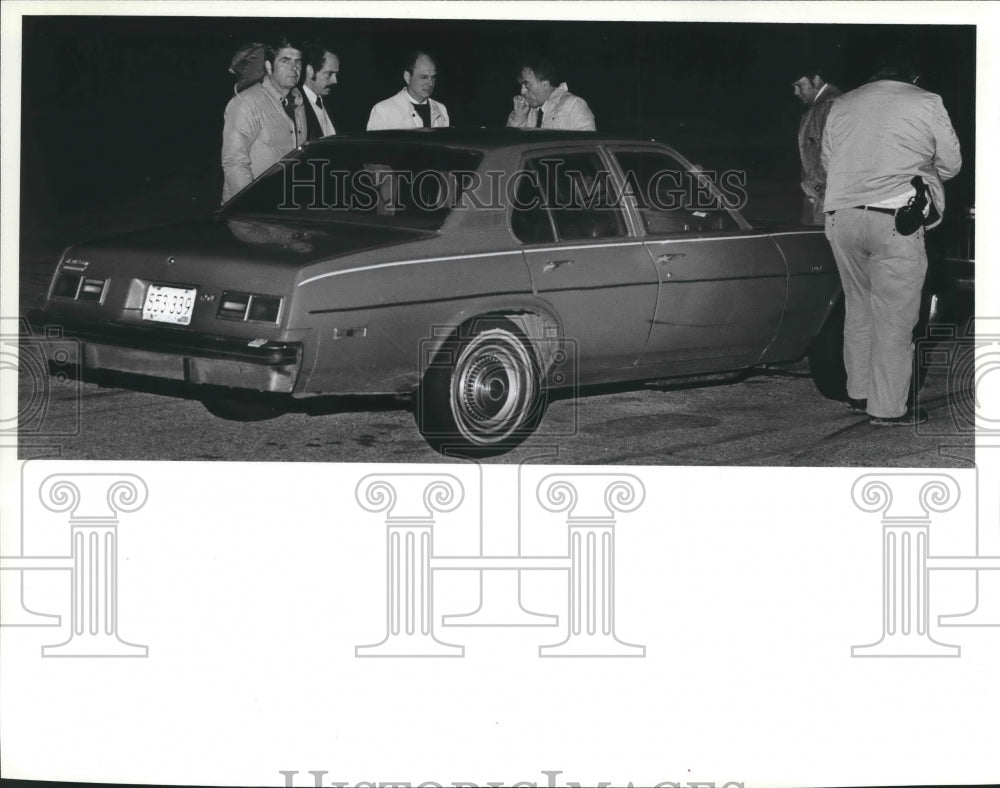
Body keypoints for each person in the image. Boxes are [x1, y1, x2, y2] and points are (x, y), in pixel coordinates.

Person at [821, 51, 962, 425]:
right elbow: (952, 164)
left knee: (858, 307)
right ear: (912, 78)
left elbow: (828, 161)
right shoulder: (927, 101)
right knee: (895, 318)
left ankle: (859, 393)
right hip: (895, 221)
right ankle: (886, 409)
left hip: (842, 219)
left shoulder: (843, 103)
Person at [221, 37, 307, 202]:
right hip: (251, 210)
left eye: (298, 62)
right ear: (269, 66)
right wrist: (249, 204)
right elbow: (234, 163)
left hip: (285, 205)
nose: (293, 68)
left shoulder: (298, 101)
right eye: (285, 61)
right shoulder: (246, 102)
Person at [792, 68, 842, 225]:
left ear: (817, 79)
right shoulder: (823, 105)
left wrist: (813, 188)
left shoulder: (829, 105)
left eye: (799, 85)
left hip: (824, 195)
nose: (796, 92)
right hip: (820, 193)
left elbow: (835, 152)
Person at [506, 58, 595, 131]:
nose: (522, 91)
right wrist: (519, 118)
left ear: (545, 83)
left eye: (526, 84)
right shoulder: (529, 111)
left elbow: (589, 145)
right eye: (521, 86)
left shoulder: (573, 105)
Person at [366, 52, 449, 130]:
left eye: (433, 77)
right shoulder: (383, 111)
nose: (430, 83)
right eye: (424, 77)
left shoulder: (441, 109)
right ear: (407, 77)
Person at [301, 43, 340, 140]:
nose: (335, 81)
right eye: (329, 74)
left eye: (336, 74)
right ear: (310, 71)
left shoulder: (334, 103)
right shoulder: (295, 105)